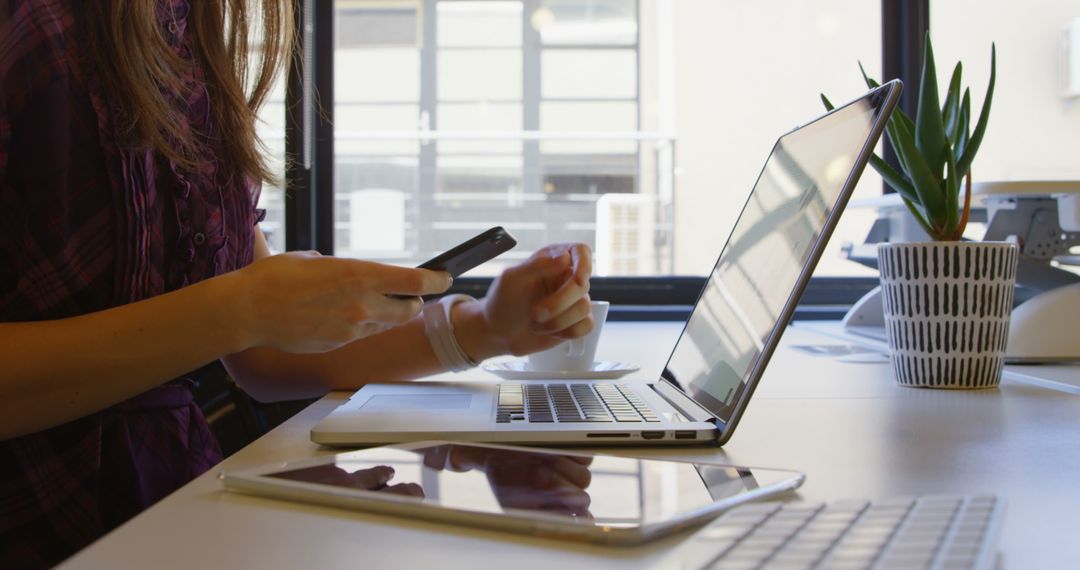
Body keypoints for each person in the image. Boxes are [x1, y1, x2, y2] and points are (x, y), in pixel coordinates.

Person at [0, 1, 594, 566]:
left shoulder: (189, 34)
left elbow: (260, 354)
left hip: (179, 511)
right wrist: (238, 308)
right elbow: (239, 320)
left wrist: (486, 328)